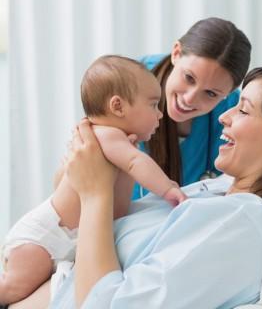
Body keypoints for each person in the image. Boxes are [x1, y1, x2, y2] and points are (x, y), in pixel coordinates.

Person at [12, 66, 262, 309]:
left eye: (243, 110)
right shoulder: (215, 191)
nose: (223, 116)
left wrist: (95, 195)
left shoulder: (238, 224)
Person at [0, 55, 186, 306]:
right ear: (118, 106)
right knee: (15, 287)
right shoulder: (107, 136)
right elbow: (136, 163)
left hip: (68, 239)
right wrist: (168, 189)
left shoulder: (115, 141)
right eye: (153, 105)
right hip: (46, 236)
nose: (160, 114)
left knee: (27, 291)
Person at [133, 17, 252, 198]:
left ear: (229, 91)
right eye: (189, 77)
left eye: (211, 93)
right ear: (176, 53)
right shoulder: (129, 81)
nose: (189, 99)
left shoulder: (233, 112)